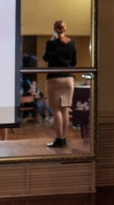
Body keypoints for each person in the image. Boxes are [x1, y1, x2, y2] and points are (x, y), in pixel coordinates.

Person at [42, 20, 77, 148]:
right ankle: (65, 138)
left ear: (54, 29)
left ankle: (59, 138)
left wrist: (52, 40)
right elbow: (73, 62)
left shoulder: (51, 43)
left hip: (54, 78)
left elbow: (46, 58)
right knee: (65, 108)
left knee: (56, 109)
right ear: (65, 29)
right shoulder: (72, 43)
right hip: (68, 79)